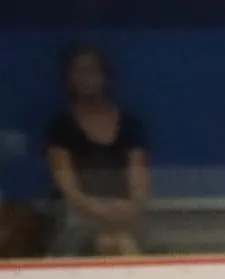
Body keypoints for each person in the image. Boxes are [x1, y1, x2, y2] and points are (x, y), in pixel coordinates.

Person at [44, 43, 149, 258]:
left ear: (105, 75)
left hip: (123, 210)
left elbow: (138, 172)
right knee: (106, 243)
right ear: (68, 78)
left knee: (123, 242)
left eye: (92, 70)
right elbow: (64, 178)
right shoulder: (60, 126)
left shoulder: (130, 124)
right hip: (77, 212)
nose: (86, 78)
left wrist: (133, 205)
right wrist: (95, 209)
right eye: (79, 71)